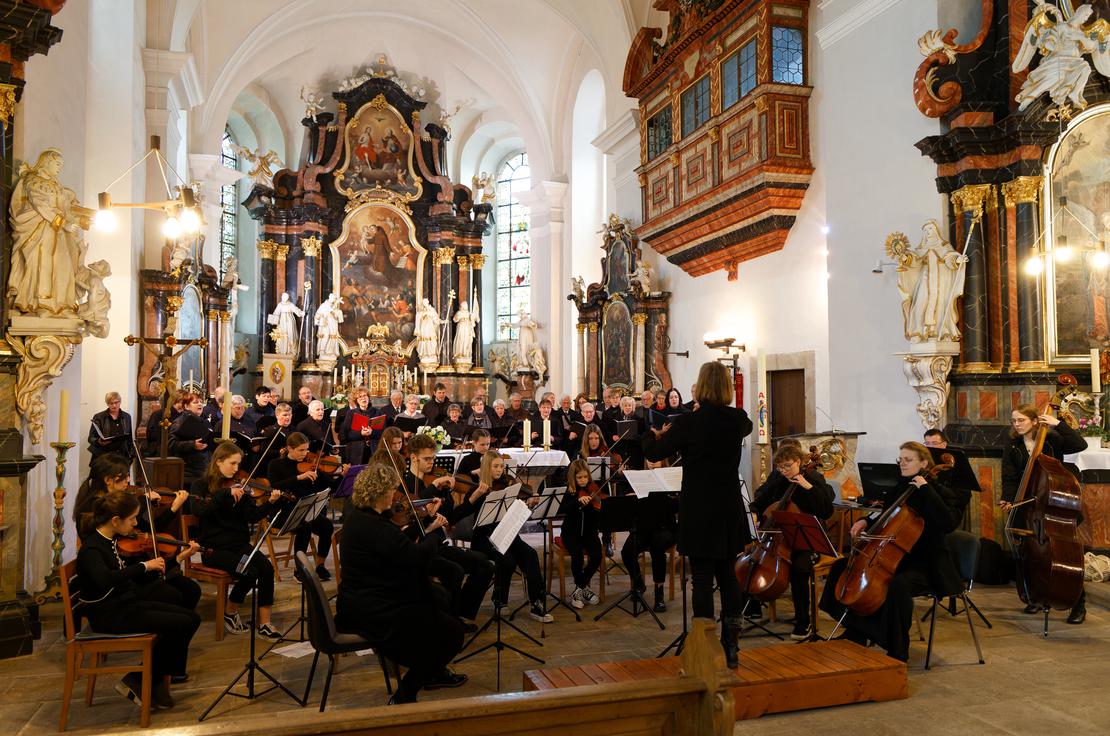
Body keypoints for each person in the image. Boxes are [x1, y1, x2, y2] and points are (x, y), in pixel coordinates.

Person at [642, 361, 753, 668]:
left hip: (699, 508)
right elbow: (746, 425)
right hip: (728, 508)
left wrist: (649, 435)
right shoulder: (737, 420)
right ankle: (732, 645)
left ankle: (704, 643)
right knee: (728, 576)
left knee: (702, 578)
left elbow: (653, 453)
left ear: (701, 386)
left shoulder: (690, 423)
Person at [820, 442, 970, 661]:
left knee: (897, 586)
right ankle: (856, 632)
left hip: (927, 563)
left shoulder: (941, 492)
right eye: (900, 459)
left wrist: (926, 488)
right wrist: (864, 520)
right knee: (841, 567)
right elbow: (886, 511)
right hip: (895, 558)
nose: (902, 464)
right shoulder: (902, 485)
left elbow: (948, 523)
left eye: (908, 460)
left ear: (924, 463)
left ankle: (898, 648)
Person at [334, 464, 466, 704]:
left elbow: (398, 544)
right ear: (380, 492)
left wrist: (424, 523)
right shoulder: (374, 526)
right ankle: (406, 693)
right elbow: (416, 559)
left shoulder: (362, 517)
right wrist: (433, 531)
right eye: (393, 490)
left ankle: (432, 670)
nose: (396, 495)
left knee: (439, 597)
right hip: (372, 609)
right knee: (453, 633)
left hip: (364, 597)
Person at [76, 490, 201, 710]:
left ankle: (150, 679)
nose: (136, 523)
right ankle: (143, 680)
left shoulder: (110, 540)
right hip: (109, 615)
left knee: (191, 618)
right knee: (182, 623)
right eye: (132, 518)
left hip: (124, 604)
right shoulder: (92, 548)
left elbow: (134, 580)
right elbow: (105, 580)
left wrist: (172, 561)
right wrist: (144, 566)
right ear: (115, 521)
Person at [73, 453, 201, 614]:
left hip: (135, 565)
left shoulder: (119, 501)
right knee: (176, 596)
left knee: (191, 589)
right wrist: (142, 503)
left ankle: (172, 625)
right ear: (108, 480)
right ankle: (167, 625)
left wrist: (173, 508)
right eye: (125, 477)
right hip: (122, 571)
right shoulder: (92, 508)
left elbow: (146, 531)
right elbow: (106, 541)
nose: (129, 481)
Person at [1000, 404, 1088, 623]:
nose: (1016, 425)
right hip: (1029, 505)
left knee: (1064, 554)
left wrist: (1059, 424)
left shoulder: (1052, 440)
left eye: (1021, 420)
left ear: (1034, 421)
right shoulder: (1013, 446)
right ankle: (1036, 597)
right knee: (1032, 553)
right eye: (1014, 421)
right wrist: (1009, 499)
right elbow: (1009, 476)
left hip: (1054, 505)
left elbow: (1080, 444)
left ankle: (1078, 604)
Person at [399, 433, 494, 627]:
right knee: (455, 571)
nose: (431, 462)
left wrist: (473, 498)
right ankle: (448, 621)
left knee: (486, 565)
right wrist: (433, 487)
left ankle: (460, 613)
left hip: (438, 545)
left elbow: (451, 519)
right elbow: (412, 509)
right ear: (413, 457)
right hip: (420, 548)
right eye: (427, 459)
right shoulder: (404, 484)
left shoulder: (438, 483)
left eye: (433, 458)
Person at [191, 442, 284, 637]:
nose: (236, 469)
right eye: (232, 464)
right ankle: (230, 611)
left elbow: (252, 516)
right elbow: (199, 510)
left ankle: (265, 622)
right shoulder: (201, 486)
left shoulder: (240, 487)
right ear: (218, 462)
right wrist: (224, 493)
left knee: (266, 569)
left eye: (238, 465)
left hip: (239, 545)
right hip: (213, 550)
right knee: (248, 571)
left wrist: (271, 503)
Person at [750, 443, 835, 639]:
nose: (784, 471)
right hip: (780, 540)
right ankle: (752, 605)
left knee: (798, 568)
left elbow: (826, 510)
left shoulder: (813, 478)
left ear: (798, 461)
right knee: (754, 559)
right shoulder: (780, 480)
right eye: (780, 467)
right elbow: (759, 500)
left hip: (807, 540)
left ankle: (803, 621)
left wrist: (807, 487)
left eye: (787, 466)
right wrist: (754, 512)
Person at [470, 451, 552, 622]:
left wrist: (527, 503)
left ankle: (537, 602)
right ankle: (499, 599)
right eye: (496, 466)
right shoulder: (477, 489)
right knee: (506, 559)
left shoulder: (508, 485)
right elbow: (474, 517)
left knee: (529, 554)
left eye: (502, 466)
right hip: (485, 537)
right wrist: (478, 496)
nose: (500, 470)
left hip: (506, 532)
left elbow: (515, 509)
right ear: (487, 467)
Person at [267, 432, 344, 581]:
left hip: (306, 509)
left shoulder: (312, 465)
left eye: (306, 449)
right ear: (290, 448)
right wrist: (298, 477)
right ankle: (299, 570)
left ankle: (320, 566)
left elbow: (333, 487)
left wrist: (343, 475)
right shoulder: (276, 464)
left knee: (327, 526)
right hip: (283, 511)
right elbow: (274, 486)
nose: (305, 453)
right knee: (304, 527)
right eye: (301, 450)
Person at [561, 459, 603, 609]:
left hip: (589, 533)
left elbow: (599, 514)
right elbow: (563, 509)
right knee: (577, 555)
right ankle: (583, 589)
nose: (583, 480)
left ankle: (580, 588)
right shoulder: (568, 492)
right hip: (570, 533)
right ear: (573, 477)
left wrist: (596, 507)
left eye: (585, 477)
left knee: (597, 555)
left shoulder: (593, 490)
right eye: (579, 477)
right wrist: (577, 502)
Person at [169, 393, 213, 486]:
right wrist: (192, 444)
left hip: (203, 468)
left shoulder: (204, 421)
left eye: (201, 402)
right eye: (195, 402)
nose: (200, 404)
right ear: (186, 406)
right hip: (189, 471)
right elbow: (171, 444)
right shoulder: (180, 422)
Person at [88, 391, 135, 463]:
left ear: (120, 402)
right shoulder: (99, 417)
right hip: (104, 456)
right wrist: (99, 441)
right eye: (111, 403)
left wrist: (131, 455)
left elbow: (129, 437)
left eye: (116, 402)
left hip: (122, 456)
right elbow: (91, 438)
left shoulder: (127, 417)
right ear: (107, 404)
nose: (114, 405)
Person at [339, 387, 376, 464]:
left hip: (374, 450)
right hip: (356, 451)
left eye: (365, 395)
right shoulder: (351, 413)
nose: (363, 398)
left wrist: (372, 432)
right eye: (360, 397)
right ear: (356, 401)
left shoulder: (377, 412)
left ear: (368, 397)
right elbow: (344, 435)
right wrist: (360, 433)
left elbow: (384, 432)